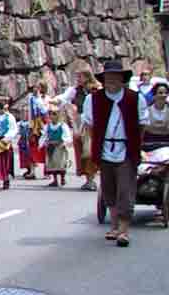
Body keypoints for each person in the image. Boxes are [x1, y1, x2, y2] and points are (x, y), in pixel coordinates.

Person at [82, 60, 149, 248]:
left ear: (122, 79)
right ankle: (114, 226)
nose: (111, 80)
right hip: (105, 149)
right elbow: (89, 125)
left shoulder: (135, 98)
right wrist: (96, 145)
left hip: (126, 149)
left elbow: (142, 125)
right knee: (109, 189)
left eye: (115, 77)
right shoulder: (93, 100)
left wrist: (135, 144)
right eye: (108, 77)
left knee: (125, 190)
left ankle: (124, 230)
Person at [55, 67, 102, 191]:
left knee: (89, 152)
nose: (78, 79)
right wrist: (55, 100)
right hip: (80, 123)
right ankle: (89, 180)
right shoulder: (75, 90)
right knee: (82, 152)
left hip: (94, 124)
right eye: (77, 76)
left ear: (87, 76)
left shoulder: (97, 89)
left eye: (80, 76)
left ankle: (93, 179)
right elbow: (63, 98)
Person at [39, 108, 71, 187]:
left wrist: (64, 142)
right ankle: (55, 180)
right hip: (50, 146)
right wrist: (42, 144)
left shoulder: (62, 125)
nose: (52, 116)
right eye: (51, 114)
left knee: (61, 163)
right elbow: (44, 135)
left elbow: (67, 135)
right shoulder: (47, 126)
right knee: (52, 164)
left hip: (59, 146)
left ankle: (62, 178)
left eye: (54, 114)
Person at [25, 82, 50, 179]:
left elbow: (45, 111)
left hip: (43, 125)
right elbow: (30, 113)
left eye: (38, 87)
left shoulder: (46, 99)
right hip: (33, 125)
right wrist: (29, 124)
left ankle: (47, 171)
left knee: (45, 147)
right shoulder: (31, 98)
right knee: (32, 147)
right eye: (34, 87)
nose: (35, 89)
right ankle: (32, 171)